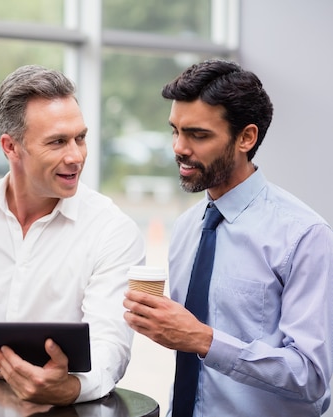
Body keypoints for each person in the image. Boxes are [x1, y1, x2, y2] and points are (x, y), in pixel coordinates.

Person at [0, 64, 145, 405]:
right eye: (57, 142)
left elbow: (110, 346)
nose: (76, 156)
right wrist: (5, 369)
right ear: (11, 147)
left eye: (80, 138)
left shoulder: (113, 230)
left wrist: (69, 388)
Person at [123, 59, 333, 416]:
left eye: (198, 135)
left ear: (246, 138)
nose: (179, 147)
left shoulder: (304, 237)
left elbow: (312, 375)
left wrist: (202, 340)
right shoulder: (189, 227)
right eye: (175, 130)